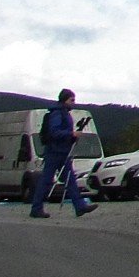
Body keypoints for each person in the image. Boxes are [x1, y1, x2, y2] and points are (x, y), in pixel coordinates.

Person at [29, 89, 96, 218]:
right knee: (46, 180)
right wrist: (71, 134)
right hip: (55, 152)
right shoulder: (57, 114)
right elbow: (54, 132)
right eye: (72, 100)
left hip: (62, 152)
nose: (74, 103)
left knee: (70, 180)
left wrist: (72, 137)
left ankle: (80, 206)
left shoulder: (63, 113)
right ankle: (36, 208)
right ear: (65, 100)